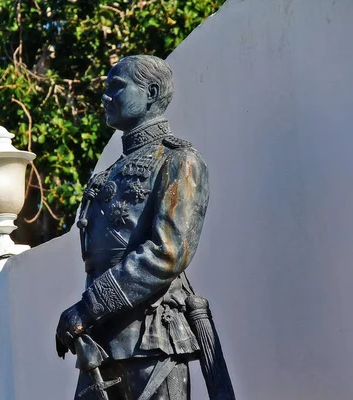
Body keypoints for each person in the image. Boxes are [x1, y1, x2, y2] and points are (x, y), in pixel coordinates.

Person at [55, 55, 210, 400]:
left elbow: (168, 252)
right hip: (100, 345)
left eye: (116, 87)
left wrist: (87, 307)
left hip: (153, 342)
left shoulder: (177, 160)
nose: (105, 96)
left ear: (151, 92)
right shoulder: (106, 174)